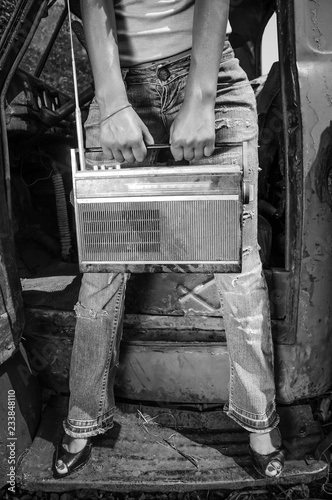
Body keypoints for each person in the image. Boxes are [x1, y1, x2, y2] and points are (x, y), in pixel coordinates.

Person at [53, 0, 285, 479]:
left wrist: (199, 98)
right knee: (102, 267)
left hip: (209, 77)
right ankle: (84, 415)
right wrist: (114, 103)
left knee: (238, 263)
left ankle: (259, 419)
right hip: (120, 79)